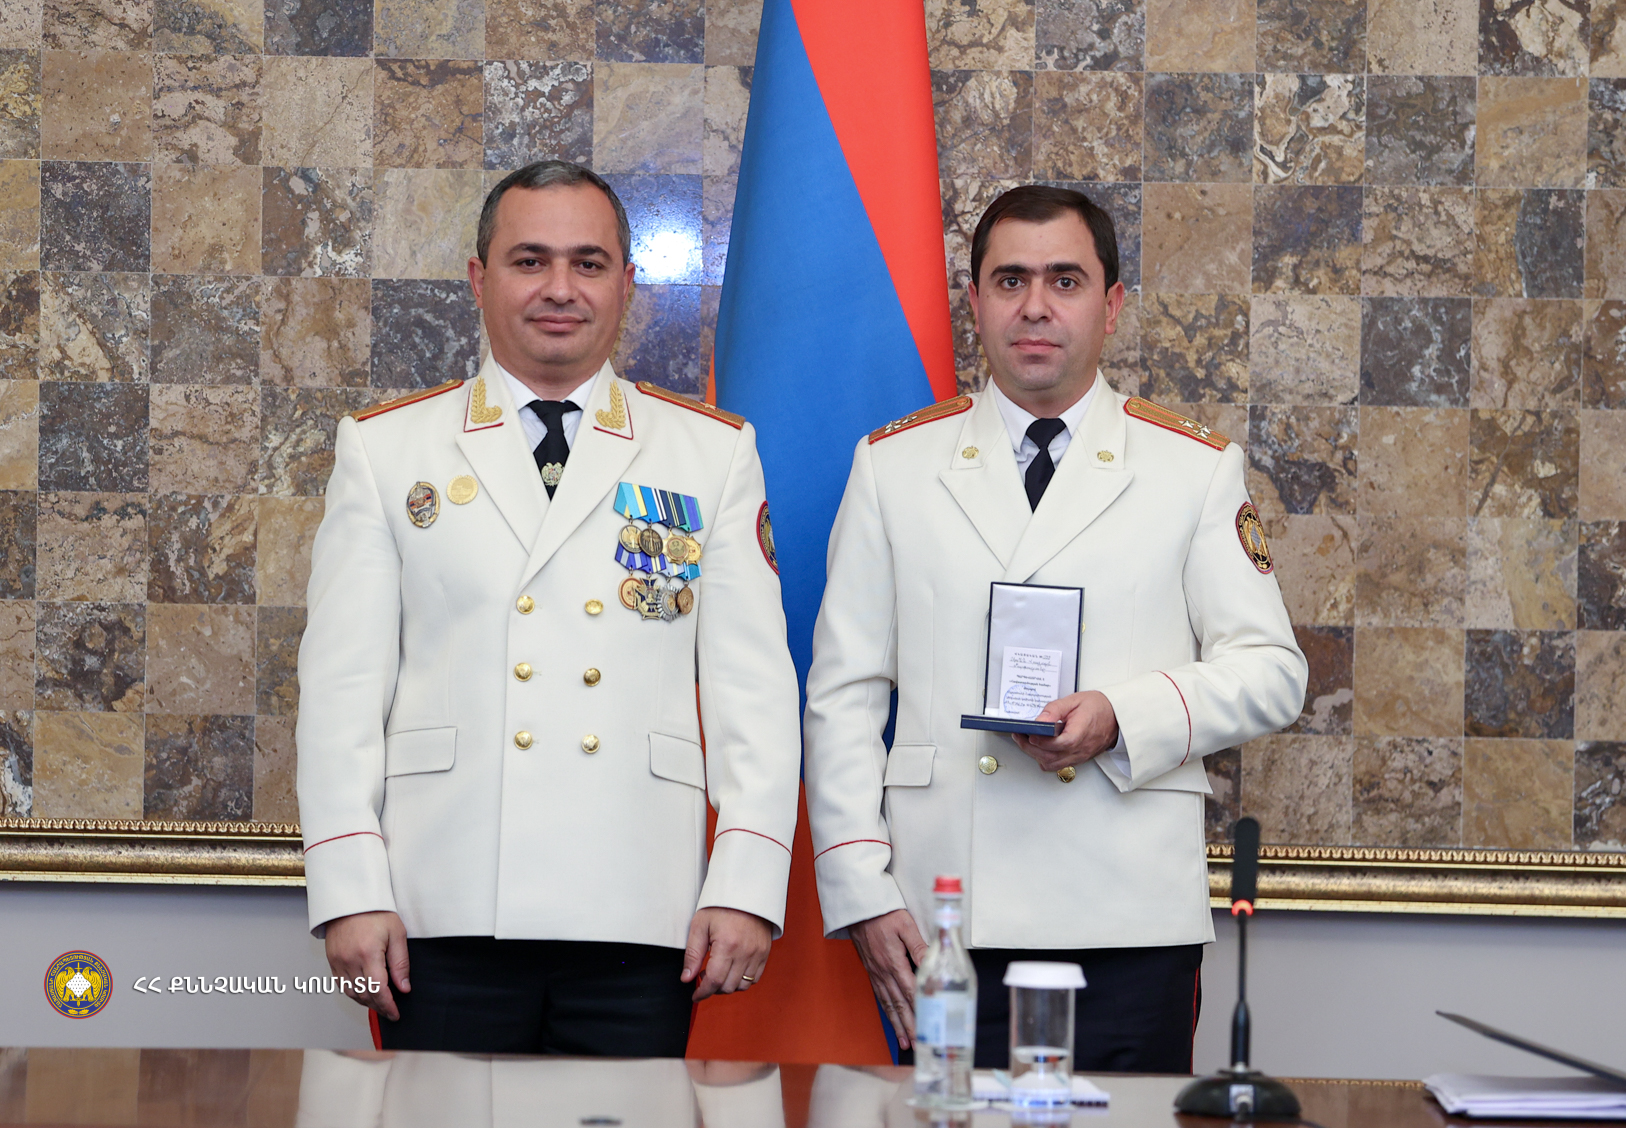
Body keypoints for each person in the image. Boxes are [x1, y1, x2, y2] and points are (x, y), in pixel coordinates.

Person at [295, 160, 801, 1055]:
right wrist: (350, 890)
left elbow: (754, 696)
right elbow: (341, 695)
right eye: (530, 261)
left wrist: (747, 885)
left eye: (588, 263)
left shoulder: (709, 454)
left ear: (627, 283)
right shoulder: (387, 449)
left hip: (640, 906)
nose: (560, 288)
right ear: (478, 278)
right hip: (440, 902)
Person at [803, 185, 1307, 1071]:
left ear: (1111, 305)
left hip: (1127, 916)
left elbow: (1272, 671)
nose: (1035, 306)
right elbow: (843, 696)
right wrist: (859, 886)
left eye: (1065, 280)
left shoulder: (1191, 469)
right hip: (943, 912)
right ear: (975, 302)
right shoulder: (893, 466)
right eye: (1011, 280)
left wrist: (1123, 714)